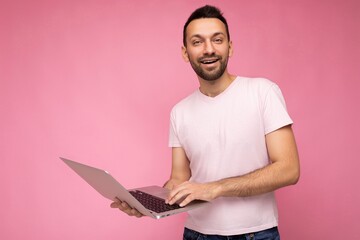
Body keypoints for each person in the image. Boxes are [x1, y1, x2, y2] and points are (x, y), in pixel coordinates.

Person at [111, 5, 300, 239]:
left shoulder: (263, 92)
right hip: (197, 234)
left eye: (217, 40)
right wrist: (146, 204)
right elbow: (179, 178)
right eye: (197, 42)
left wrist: (216, 187)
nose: (208, 49)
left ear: (230, 47)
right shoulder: (179, 112)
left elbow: (289, 169)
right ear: (185, 52)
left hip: (255, 234)